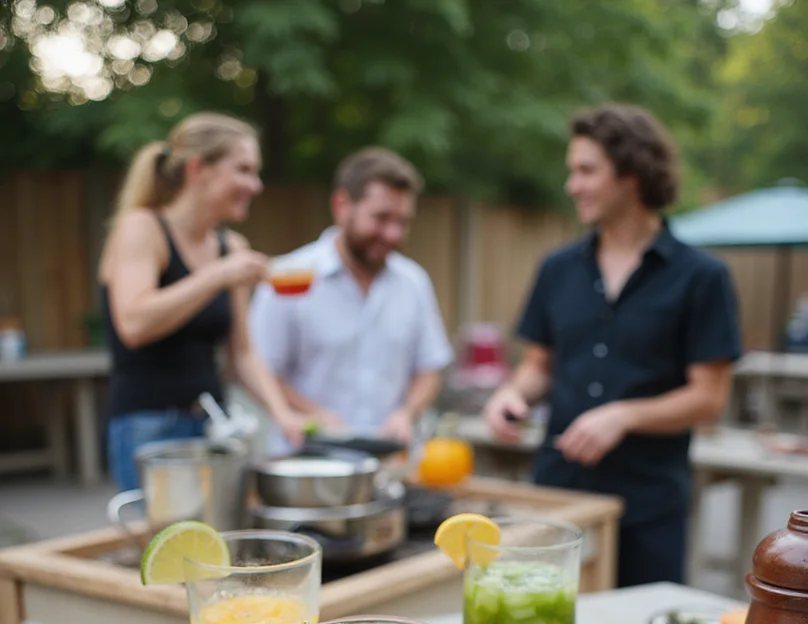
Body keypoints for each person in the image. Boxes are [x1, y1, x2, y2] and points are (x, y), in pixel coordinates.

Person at [484, 104, 742, 587]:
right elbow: (539, 365)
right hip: (558, 499)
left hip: (648, 507)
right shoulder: (557, 268)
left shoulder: (702, 277)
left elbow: (709, 397)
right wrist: (512, 394)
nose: (572, 185)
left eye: (586, 170)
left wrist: (623, 416)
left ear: (631, 174)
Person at [100, 111, 308, 490]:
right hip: (148, 427)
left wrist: (283, 415)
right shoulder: (142, 228)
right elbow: (133, 324)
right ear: (198, 169)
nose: (256, 185)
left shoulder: (231, 246)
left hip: (214, 423)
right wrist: (217, 275)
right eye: (243, 170)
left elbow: (243, 353)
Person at [248, 147, 453, 450]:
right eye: (381, 218)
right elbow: (260, 371)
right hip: (306, 458)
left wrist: (407, 413)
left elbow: (429, 369)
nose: (393, 234)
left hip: (390, 460)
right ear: (342, 205)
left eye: (403, 222)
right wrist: (314, 414)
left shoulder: (414, 282)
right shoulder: (287, 277)